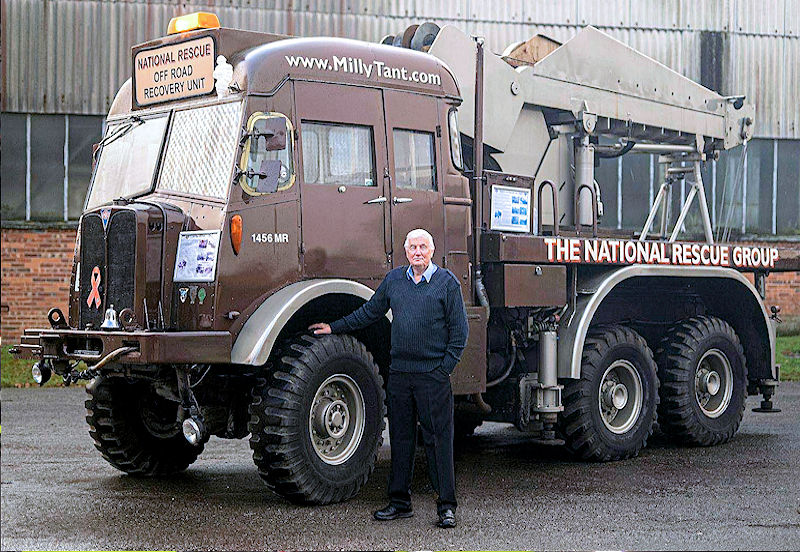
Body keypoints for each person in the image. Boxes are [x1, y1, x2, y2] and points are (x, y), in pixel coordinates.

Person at [309, 228, 469, 529]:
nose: (417, 252)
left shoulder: (447, 284)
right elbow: (370, 312)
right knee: (401, 439)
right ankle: (399, 502)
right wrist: (334, 327)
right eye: (412, 247)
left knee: (438, 442)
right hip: (400, 376)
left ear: (432, 251)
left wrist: (443, 368)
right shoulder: (395, 280)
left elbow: (460, 333)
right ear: (405, 252)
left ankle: (446, 506)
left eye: (423, 247)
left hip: (432, 377)